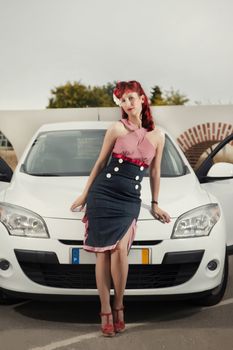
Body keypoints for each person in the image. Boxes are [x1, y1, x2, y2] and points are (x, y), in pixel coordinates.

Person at [70, 80, 171, 337]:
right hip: (103, 195)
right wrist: (85, 194)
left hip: (129, 200)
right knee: (102, 254)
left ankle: (119, 304)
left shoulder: (158, 136)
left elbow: (155, 172)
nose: (127, 104)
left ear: (142, 99)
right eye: (123, 100)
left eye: (131, 98)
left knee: (119, 249)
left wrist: (156, 204)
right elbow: (100, 162)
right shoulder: (116, 129)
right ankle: (105, 310)